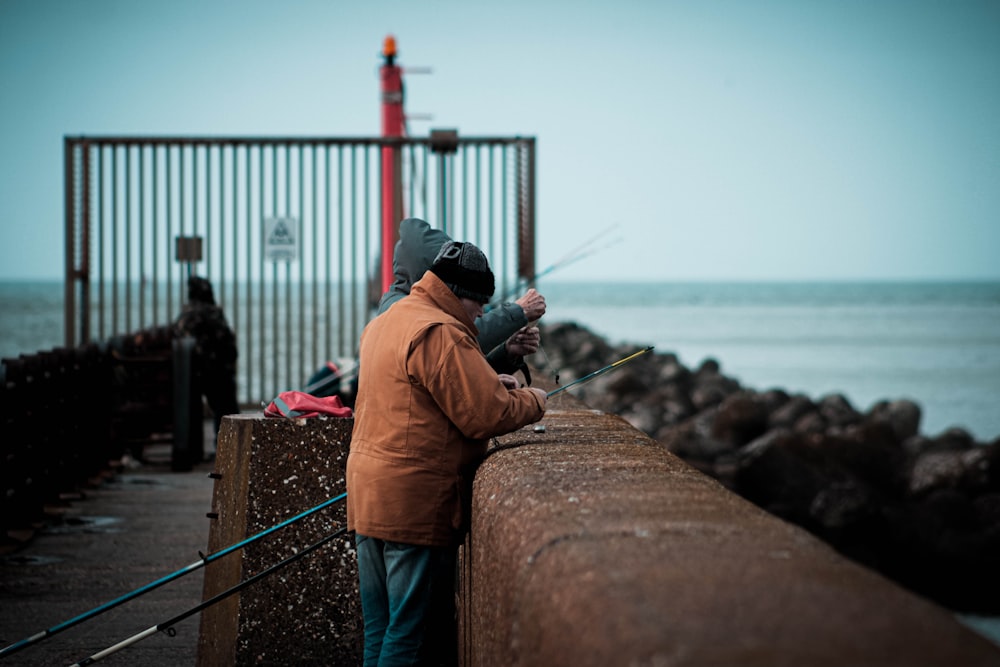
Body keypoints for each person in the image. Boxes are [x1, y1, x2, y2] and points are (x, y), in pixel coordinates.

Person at [347, 241, 547, 666]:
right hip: (411, 507)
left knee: (378, 630)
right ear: (462, 294)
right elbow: (483, 415)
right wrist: (535, 399)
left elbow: (419, 397)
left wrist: (497, 380)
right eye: (480, 303)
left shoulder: (387, 320)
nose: (480, 314)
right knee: (406, 635)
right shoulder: (440, 331)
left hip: (367, 496)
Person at [379, 217, 546, 382]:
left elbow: (454, 372)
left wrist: (508, 353)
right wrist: (516, 312)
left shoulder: (411, 304)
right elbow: (453, 343)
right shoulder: (397, 309)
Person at [173, 276, 240, 441]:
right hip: (217, 372)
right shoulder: (213, 313)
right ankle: (227, 444)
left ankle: (194, 445)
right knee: (226, 406)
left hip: (190, 375)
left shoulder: (185, 315)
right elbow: (228, 344)